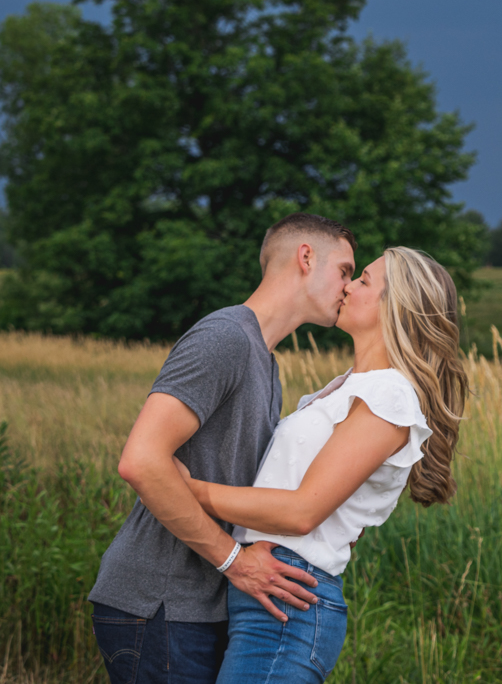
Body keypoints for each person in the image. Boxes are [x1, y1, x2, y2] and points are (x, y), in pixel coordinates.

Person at [177, 246, 467, 684]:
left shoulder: (388, 396)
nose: (348, 286)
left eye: (364, 281)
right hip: (269, 593)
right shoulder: (350, 387)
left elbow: (301, 511)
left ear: (397, 310)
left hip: (288, 605)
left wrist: (188, 490)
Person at [89, 213, 357, 684]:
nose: (348, 287)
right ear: (306, 257)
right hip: (160, 604)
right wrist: (235, 560)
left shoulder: (265, 364)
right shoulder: (225, 337)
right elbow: (141, 461)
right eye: (345, 271)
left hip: (199, 607)